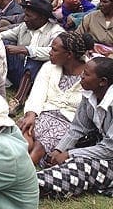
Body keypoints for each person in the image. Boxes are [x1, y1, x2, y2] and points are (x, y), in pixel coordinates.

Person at [37, 57, 113, 197]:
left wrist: (69, 154)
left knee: (81, 165)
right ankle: (45, 181)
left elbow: (109, 149)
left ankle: (36, 185)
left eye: (86, 74)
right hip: (102, 147)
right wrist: (59, 150)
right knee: (53, 157)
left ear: (103, 81)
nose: (81, 77)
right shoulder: (89, 95)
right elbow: (78, 128)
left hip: (110, 154)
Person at [18, 32, 91, 165]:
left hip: (69, 122)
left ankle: (21, 172)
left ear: (69, 55)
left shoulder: (90, 73)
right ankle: (10, 161)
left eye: (54, 49)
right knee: (25, 135)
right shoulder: (49, 67)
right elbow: (37, 94)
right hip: (44, 114)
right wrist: (31, 115)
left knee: (40, 146)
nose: (50, 52)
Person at [1, 0, 65, 114]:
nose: (25, 19)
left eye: (29, 16)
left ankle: (18, 100)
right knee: (2, 44)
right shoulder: (24, 27)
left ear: (42, 17)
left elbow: (53, 53)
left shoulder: (56, 32)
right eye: (25, 15)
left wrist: (26, 50)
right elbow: (4, 35)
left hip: (38, 76)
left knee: (34, 60)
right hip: (18, 71)